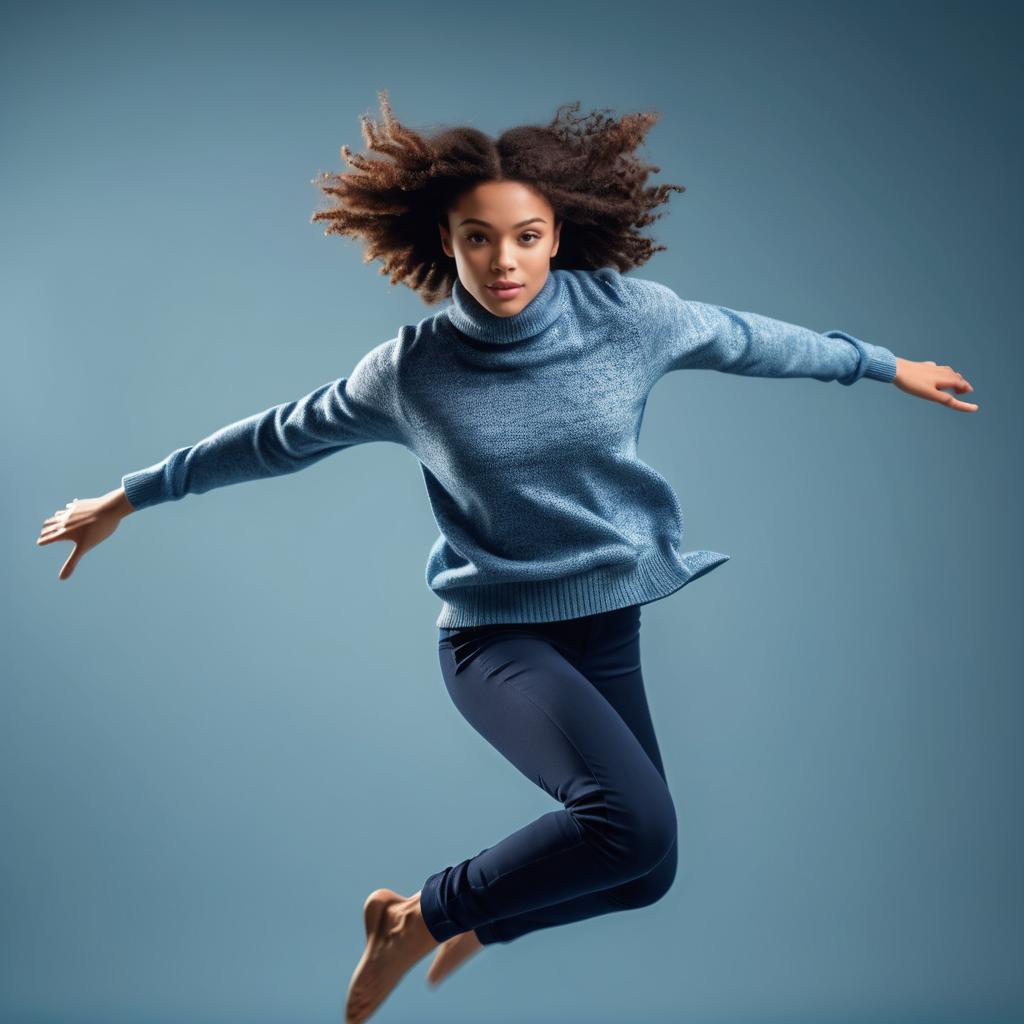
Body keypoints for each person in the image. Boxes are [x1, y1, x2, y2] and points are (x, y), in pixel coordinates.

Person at [35, 91, 978, 1024]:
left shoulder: (629, 316)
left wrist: (884, 364)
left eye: (525, 235)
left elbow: (748, 340)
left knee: (646, 874)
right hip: (496, 640)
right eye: (477, 238)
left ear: (557, 234)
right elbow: (277, 436)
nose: (503, 260)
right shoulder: (409, 372)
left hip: (607, 625)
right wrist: (127, 495)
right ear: (443, 242)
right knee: (630, 826)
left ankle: (477, 920)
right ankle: (417, 920)